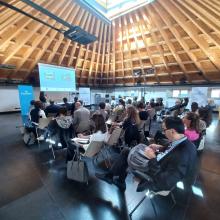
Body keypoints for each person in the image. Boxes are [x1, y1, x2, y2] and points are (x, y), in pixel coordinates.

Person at [96, 117, 197, 192]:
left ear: (172, 131)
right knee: (127, 150)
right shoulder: (183, 142)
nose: (163, 132)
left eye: (164, 130)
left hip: (154, 174)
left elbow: (165, 183)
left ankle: (112, 177)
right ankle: (118, 180)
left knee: (127, 152)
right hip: (159, 162)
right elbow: (171, 151)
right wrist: (160, 148)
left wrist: (152, 158)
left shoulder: (183, 155)